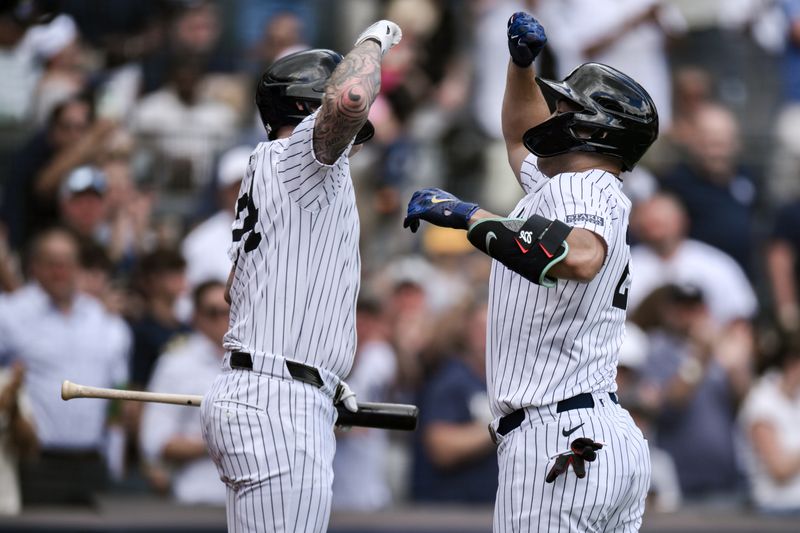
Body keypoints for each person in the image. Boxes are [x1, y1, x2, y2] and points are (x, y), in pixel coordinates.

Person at [403, 12, 656, 531]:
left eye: (563, 106)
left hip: (555, 435)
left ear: (591, 126)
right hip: (596, 432)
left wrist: (471, 217)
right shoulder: (572, 183)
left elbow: (582, 257)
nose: (551, 112)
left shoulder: (582, 186)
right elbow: (520, 139)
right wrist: (522, 66)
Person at [200, 20, 402, 533]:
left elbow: (233, 290)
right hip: (278, 401)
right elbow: (354, 96)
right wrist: (376, 38)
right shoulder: (300, 160)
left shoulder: (276, 172)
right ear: (308, 106)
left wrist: (326, 375)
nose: (357, 143)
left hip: (273, 388)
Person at [0, 228, 131, 504]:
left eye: (68, 263)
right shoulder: (11, 314)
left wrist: (115, 458)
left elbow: (118, 391)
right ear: (34, 266)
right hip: (36, 462)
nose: (60, 271)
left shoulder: (104, 321)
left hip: (93, 462)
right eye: (52, 263)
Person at [139, 280, 229, 505]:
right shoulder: (176, 364)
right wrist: (221, 441)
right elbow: (156, 441)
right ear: (196, 316)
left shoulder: (258, 363)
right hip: (197, 498)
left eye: (230, 309)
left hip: (254, 502)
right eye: (213, 312)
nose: (224, 319)